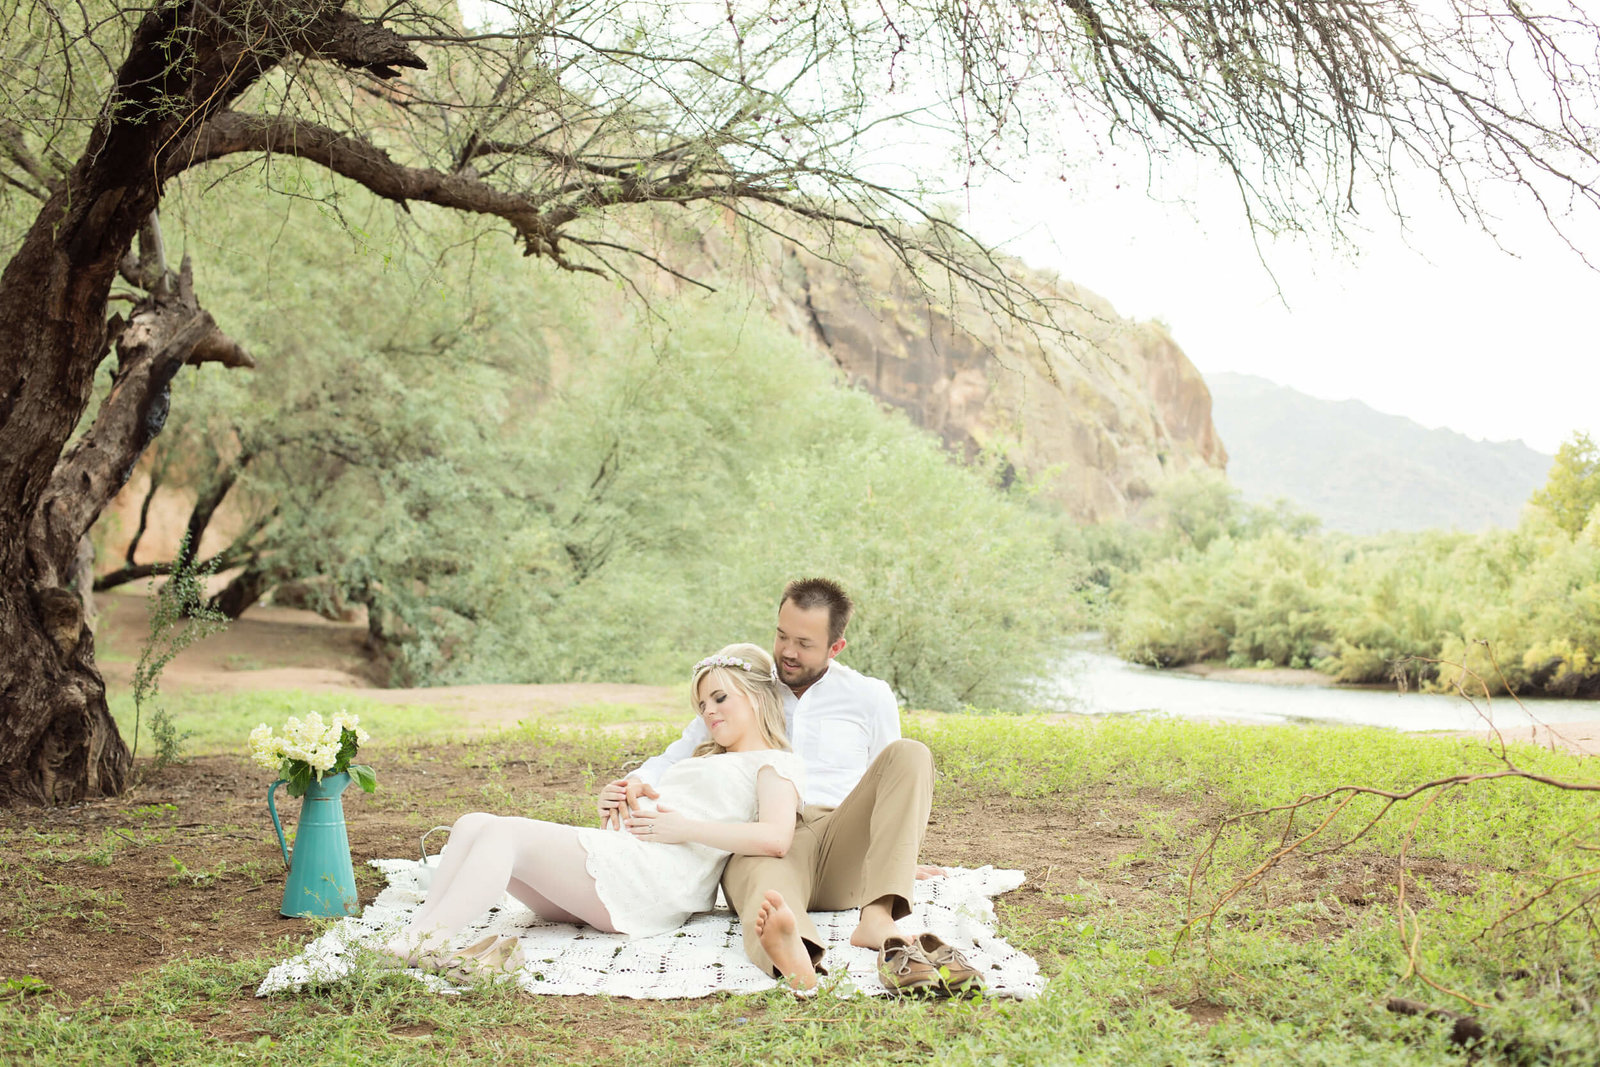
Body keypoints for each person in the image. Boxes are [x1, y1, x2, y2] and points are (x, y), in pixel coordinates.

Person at [597, 579, 983, 995]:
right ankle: (794, 951)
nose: (787, 652)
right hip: (763, 836)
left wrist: (898, 858)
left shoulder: (869, 696)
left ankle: (876, 918)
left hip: (841, 840)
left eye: (804, 642)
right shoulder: (747, 689)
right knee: (768, 894)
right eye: (781, 636)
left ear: (835, 648)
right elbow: (675, 756)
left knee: (911, 753)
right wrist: (632, 782)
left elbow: (890, 783)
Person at [382, 644, 805, 982]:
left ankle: (424, 940)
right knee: (472, 823)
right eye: (701, 705)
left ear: (756, 695)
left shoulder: (772, 763)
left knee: (505, 834)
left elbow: (775, 837)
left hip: (650, 882)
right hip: (623, 864)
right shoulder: (707, 757)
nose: (708, 711)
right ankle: (419, 932)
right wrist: (630, 795)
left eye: (719, 697)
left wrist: (684, 827)